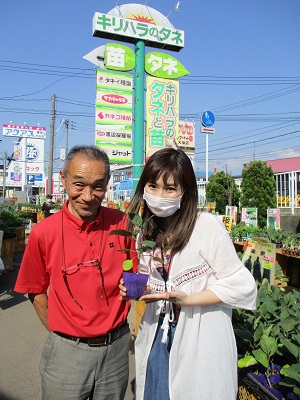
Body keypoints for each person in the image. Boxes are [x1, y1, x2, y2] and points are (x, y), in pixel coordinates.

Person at [120, 148, 257, 400]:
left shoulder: (206, 226)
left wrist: (186, 299)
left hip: (200, 340)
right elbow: (150, 279)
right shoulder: (146, 233)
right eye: (152, 186)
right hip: (159, 336)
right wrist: (137, 288)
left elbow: (243, 286)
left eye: (170, 189)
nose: (159, 195)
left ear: (185, 192)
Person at [15, 145, 137, 400]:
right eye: (78, 185)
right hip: (67, 353)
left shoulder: (122, 224)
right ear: (63, 179)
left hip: (116, 349)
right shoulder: (43, 233)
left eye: (98, 186)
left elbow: (134, 271)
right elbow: (34, 289)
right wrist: (64, 335)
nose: (88, 196)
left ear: (107, 184)